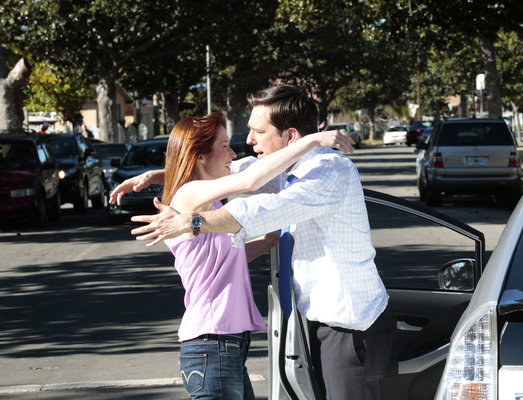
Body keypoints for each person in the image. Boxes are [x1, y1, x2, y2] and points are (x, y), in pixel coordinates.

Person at [110, 85, 392, 400]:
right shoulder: (289, 171)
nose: (248, 142)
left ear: (291, 137)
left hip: (348, 326)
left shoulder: (327, 173)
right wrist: (159, 174)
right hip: (262, 333)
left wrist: (193, 221)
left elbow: (255, 207)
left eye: (258, 131)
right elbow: (235, 174)